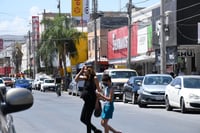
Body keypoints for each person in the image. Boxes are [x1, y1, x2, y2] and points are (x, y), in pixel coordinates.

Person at [75, 65, 102, 133]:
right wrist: (81, 71)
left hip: (92, 101)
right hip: (87, 102)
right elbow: (76, 79)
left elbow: (98, 91)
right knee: (82, 119)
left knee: (87, 119)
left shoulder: (94, 78)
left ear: (89, 70)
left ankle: (93, 130)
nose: (84, 71)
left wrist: (97, 102)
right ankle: (95, 130)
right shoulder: (86, 77)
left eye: (85, 70)